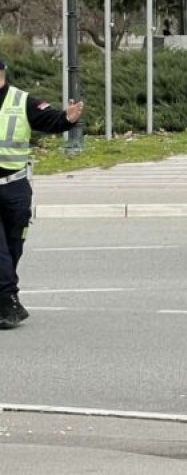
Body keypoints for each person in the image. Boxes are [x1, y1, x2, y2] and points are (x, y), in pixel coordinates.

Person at [0, 58, 83, 329]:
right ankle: (8, 301)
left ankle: (4, 295)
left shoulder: (21, 100)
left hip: (15, 186)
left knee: (13, 245)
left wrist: (67, 118)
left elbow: (49, 119)